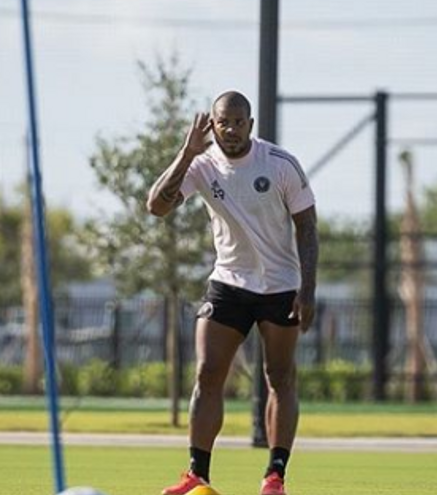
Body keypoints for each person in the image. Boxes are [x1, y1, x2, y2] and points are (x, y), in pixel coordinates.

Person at [147, 91, 318, 495]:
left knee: (279, 377)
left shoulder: (279, 164)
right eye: (224, 122)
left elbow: (307, 228)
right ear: (213, 124)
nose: (231, 129)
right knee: (207, 373)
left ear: (250, 125)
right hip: (228, 283)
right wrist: (186, 153)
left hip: (280, 285)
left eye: (239, 122)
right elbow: (157, 206)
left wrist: (307, 290)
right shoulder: (201, 165)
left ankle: (275, 475)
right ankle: (196, 474)